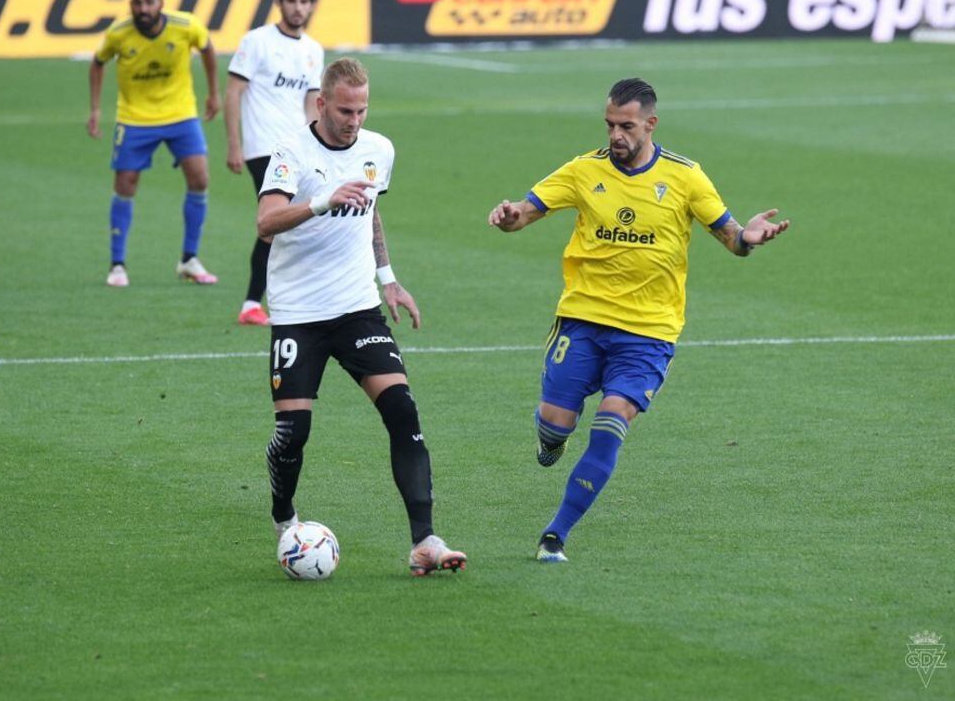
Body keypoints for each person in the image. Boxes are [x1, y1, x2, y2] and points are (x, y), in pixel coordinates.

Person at [487, 78, 790, 563]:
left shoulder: (686, 176)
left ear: (650, 124)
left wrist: (749, 237)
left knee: (611, 421)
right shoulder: (584, 170)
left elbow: (730, 237)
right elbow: (526, 212)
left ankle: (555, 534)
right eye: (610, 124)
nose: (615, 135)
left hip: (648, 332)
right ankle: (551, 437)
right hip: (582, 319)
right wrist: (507, 217)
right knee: (555, 426)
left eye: (626, 126)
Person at [257, 58, 467, 576]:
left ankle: (425, 541)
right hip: (299, 313)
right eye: (345, 110)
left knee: (403, 411)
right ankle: (285, 518)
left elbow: (371, 211)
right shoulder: (290, 152)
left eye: (362, 109)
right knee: (294, 432)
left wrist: (388, 278)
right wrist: (323, 199)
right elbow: (266, 223)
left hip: (357, 309)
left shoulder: (379, 149)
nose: (354, 120)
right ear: (322, 103)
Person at [87, 0, 220, 288]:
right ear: (130, 5)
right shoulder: (118, 34)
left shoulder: (185, 25)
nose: (143, 9)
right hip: (134, 118)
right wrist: (95, 109)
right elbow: (97, 62)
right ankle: (117, 264)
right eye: (137, 3)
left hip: (180, 114)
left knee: (200, 179)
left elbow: (208, 47)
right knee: (124, 185)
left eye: (149, 3)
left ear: (161, 3)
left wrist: (214, 93)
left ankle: (189, 259)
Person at [225, 0, 325, 325]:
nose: (298, 8)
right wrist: (234, 145)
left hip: (299, 149)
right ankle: (254, 302)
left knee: (292, 224)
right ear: (280, 4)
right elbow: (234, 93)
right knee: (276, 223)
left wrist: (320, 146)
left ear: (311, 6)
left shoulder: (313, 49)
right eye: (292, 1)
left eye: (304, 2)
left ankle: (264, 301)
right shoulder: (257, 42)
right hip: (262, 148)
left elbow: (311, 104)